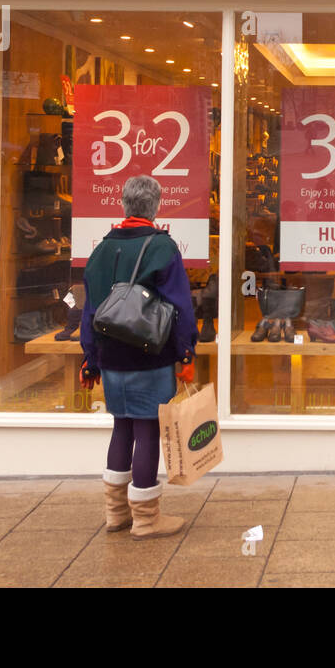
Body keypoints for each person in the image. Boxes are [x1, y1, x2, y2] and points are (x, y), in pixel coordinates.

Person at [80, 175, 197, 540]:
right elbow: (180, 307)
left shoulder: (101, 248)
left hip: (111, 354)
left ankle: (115, 514)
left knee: (122, 426)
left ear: (124, 204)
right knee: (147, 429)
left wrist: (91, 359)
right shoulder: (162, 247)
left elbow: (90, 309)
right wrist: (187, 352)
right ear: (156, 206)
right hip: (151, 353)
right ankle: (146, 518)